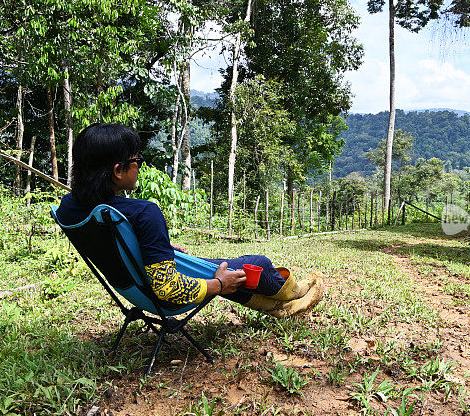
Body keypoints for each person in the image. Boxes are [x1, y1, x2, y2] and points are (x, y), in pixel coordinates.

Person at [55, 122, 325, 317]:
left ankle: (279, 305)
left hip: (135, 289)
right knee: (259, 264)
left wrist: (160, 248)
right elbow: (168, 290)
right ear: (118, 171)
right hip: (164, 297)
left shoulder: (70, 208)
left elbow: (117, 246)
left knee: (245, 266)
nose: (139, 165)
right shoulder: (144, 212)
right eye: (137, 159)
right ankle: (290, 297)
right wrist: (218, 285)